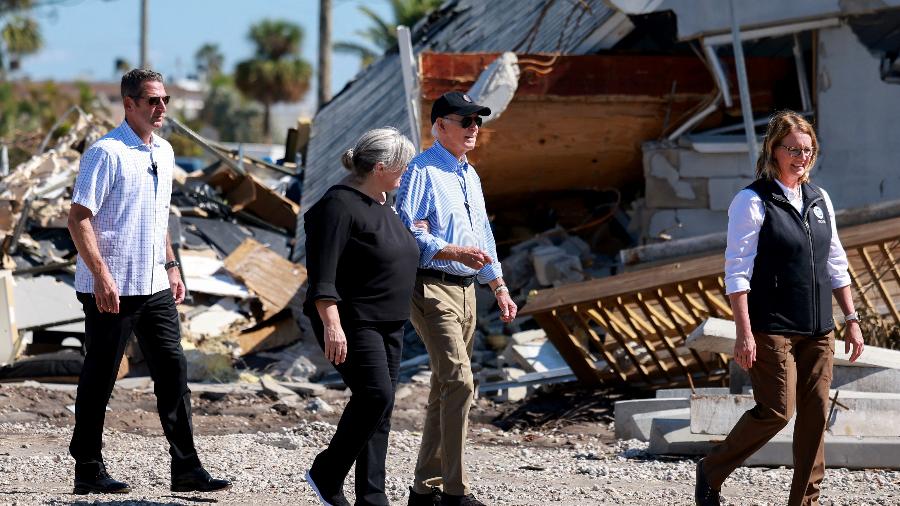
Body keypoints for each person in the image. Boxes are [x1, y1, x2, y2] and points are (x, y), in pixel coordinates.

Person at [67, 69, 231, 495]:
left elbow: (159, 218)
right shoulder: (105, 153)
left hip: (154, 282)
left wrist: (173, 266)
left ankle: (187, 468)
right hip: (112, 286)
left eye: (165, 100)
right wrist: (101, 275)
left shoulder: (166, 152)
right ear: (129, 103)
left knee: (173, 371)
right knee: (101, 377)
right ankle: (87, 467)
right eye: (152, 101)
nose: (161, 109)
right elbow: (78, 217)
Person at [694, 110, 865, 506]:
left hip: (820, 326)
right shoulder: (752, 201)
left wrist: (851, 319)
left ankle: (804, 501)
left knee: (815, 413)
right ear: (774, 150)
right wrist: (744, 331)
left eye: (807, 150)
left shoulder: (820, 199)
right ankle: (712, 468)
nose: (801, 157)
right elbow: (737, 272)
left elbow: (835, 261)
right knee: (776, 409)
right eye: (792, 149)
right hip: (772, 325)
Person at [397, 91, 518, 506]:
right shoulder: (422, 170)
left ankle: (422, 489)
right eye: (464, 121)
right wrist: (453, 251)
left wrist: (497, 286)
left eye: (477, 121)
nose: (473, 129)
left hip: (468, 292)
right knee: (461, 383)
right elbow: (406, 233)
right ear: (439, 126)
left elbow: (482, 236)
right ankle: (455, 492)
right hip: (431, 287)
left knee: (444, 389)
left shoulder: (471, 175)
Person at [303, 127, 419, 506]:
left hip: (390, 322)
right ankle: (326, 472)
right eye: (402, 164)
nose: (407, 170)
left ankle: (372, 496)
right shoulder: (337, 205)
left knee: (381, 408)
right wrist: (331, 325)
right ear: (381, 166)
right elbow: (322, 274)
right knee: (375, 395)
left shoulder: (383, 203)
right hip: (354, 322)